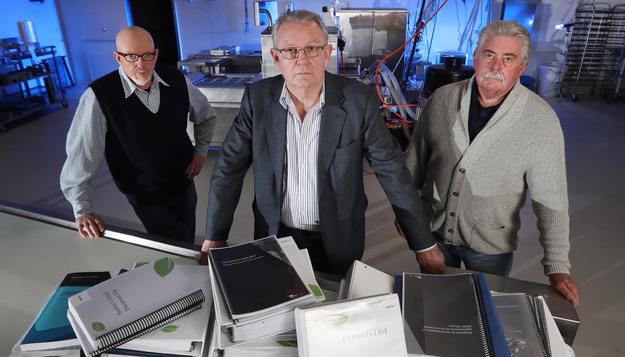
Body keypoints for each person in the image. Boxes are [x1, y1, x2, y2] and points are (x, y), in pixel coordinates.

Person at [199, 10, 444, 276]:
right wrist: (215, 234)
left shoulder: (357, 100)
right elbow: (229, 168)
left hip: (338, 238)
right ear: (276, 57)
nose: (301, 59)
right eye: (291, 50)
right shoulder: (257, 100)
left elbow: (391, 169)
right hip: (275, 235)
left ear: (326, 53)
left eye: (312, 49)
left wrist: (423, 243)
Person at [406, 20, 580, 307]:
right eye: (489, 55)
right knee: (433, 308)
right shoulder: (442, 100)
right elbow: (414, 163)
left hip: (490, 247)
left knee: (482, 313)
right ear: (476, 57)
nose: (496, 66)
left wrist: (558, 266)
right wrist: (408, 217)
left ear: (521, 67)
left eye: (507, 59)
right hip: (433, 233)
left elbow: (552, 198)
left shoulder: (541, 120)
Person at [60, 26, 217, 243]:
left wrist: (200, 153)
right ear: (117, 57)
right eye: (131, 56)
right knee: (171, 243)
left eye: (147, 55)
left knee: (186, 234)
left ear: (156, 54)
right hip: (146, 194)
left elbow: (207, 117)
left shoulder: (177, 79)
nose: (141, 64)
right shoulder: (99, 96)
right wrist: (82, 209)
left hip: (184, 180)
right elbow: (81, 156)